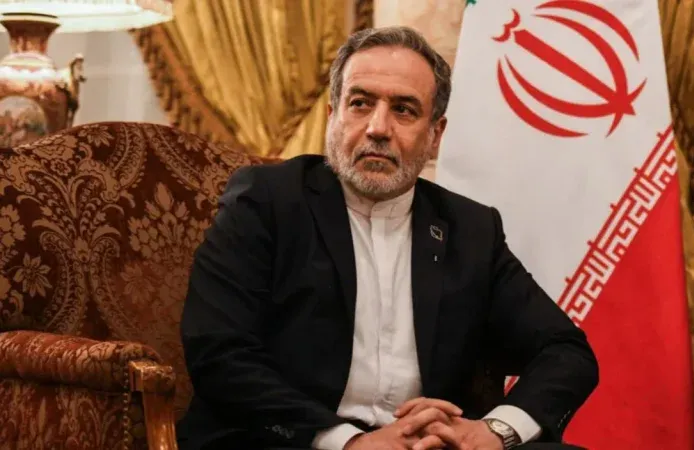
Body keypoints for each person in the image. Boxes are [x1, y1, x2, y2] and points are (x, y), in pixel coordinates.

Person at [177, 26, 599, 450]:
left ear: (435, 136)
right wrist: (348, 441)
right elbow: (219, 352)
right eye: (360, 103)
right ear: (332, 116)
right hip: (296, 439)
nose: (378, 128)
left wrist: (494, 431)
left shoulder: (470, 229)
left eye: (404, 110)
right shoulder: (267, 201)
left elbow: (565, 351)